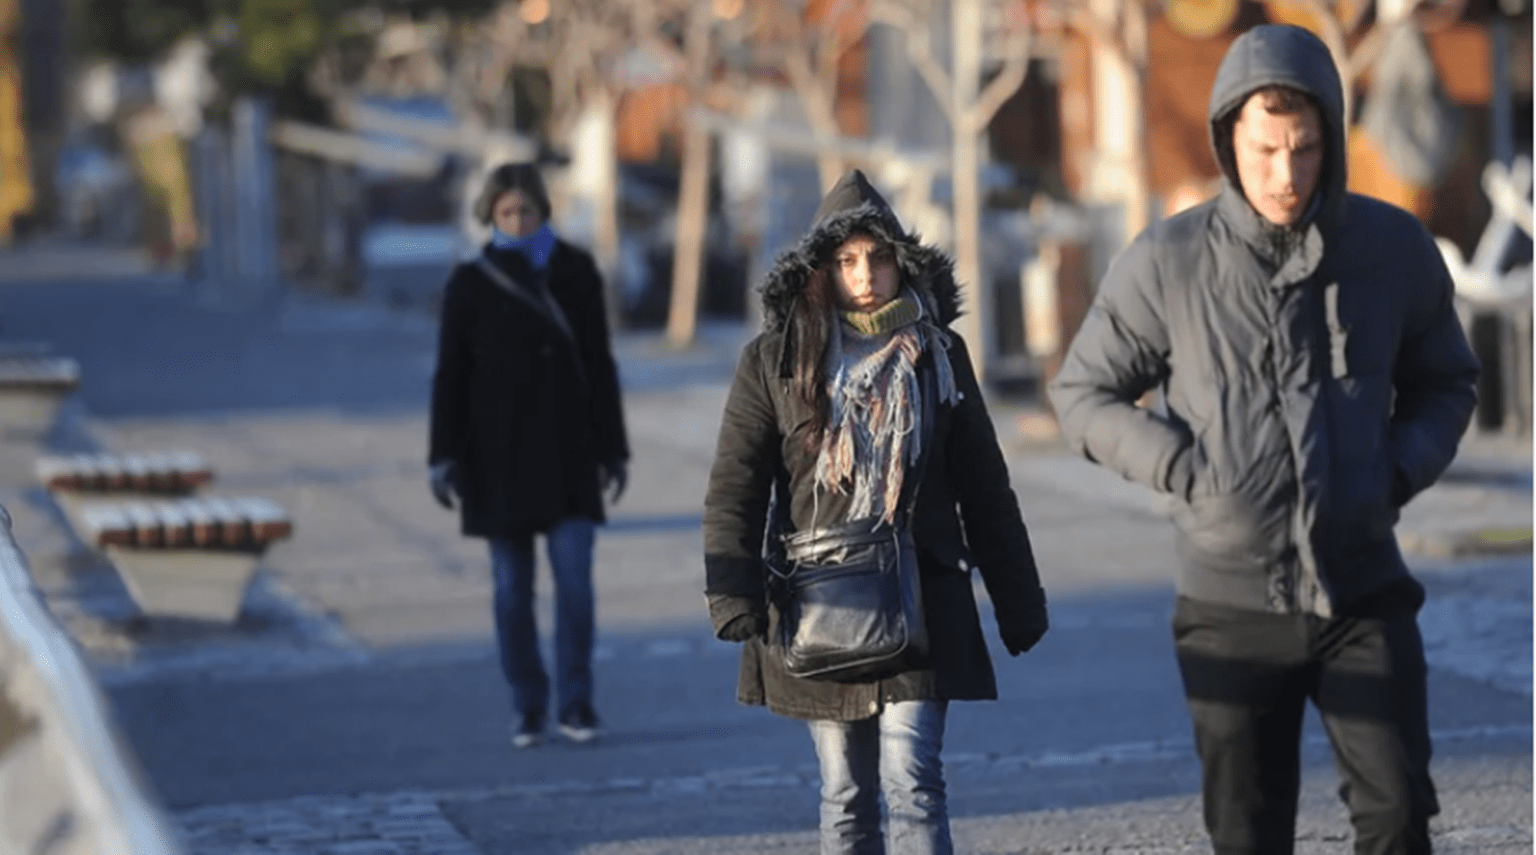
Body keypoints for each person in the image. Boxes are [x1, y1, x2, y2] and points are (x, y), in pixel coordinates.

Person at [1048, 24, 1479, 855]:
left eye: (1305, 149)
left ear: (1330, 141)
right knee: (1249, 833)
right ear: (1228, 141)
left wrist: (1394, 470)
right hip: (1229, 608)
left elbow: (1448, 380)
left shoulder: (1391, 250)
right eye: (1265, 150)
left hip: (1363, 592)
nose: (1285, 174)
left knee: (1397, 817)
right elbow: (1082, 393)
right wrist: (1185, 469)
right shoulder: (1168, 261)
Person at [703, 169, 1050, 854]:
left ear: (902, 261)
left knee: (914, 779)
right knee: (847, 796)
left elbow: (985, 486)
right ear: (822, 269)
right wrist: (732, 590)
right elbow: (736, 481)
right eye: (847, 260)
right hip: (817, 601)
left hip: (923, 595)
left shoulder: (939, 355)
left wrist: (1018, 599)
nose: (865, 274)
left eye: (879, 257)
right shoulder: (774, 360)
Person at [428, 162, 629, 749]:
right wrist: (443, 456)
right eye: (506, 211)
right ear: (490, 214)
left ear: (544, 211)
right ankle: (528, 703)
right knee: (511, 593)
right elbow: (451, 377)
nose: (517, 220)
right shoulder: (470, 281)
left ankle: (576, 703)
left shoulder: (574, 270)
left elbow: (600, 365)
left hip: (570, 457)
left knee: (576, 589)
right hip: (495, 462)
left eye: (528, 211)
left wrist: (613, 451)